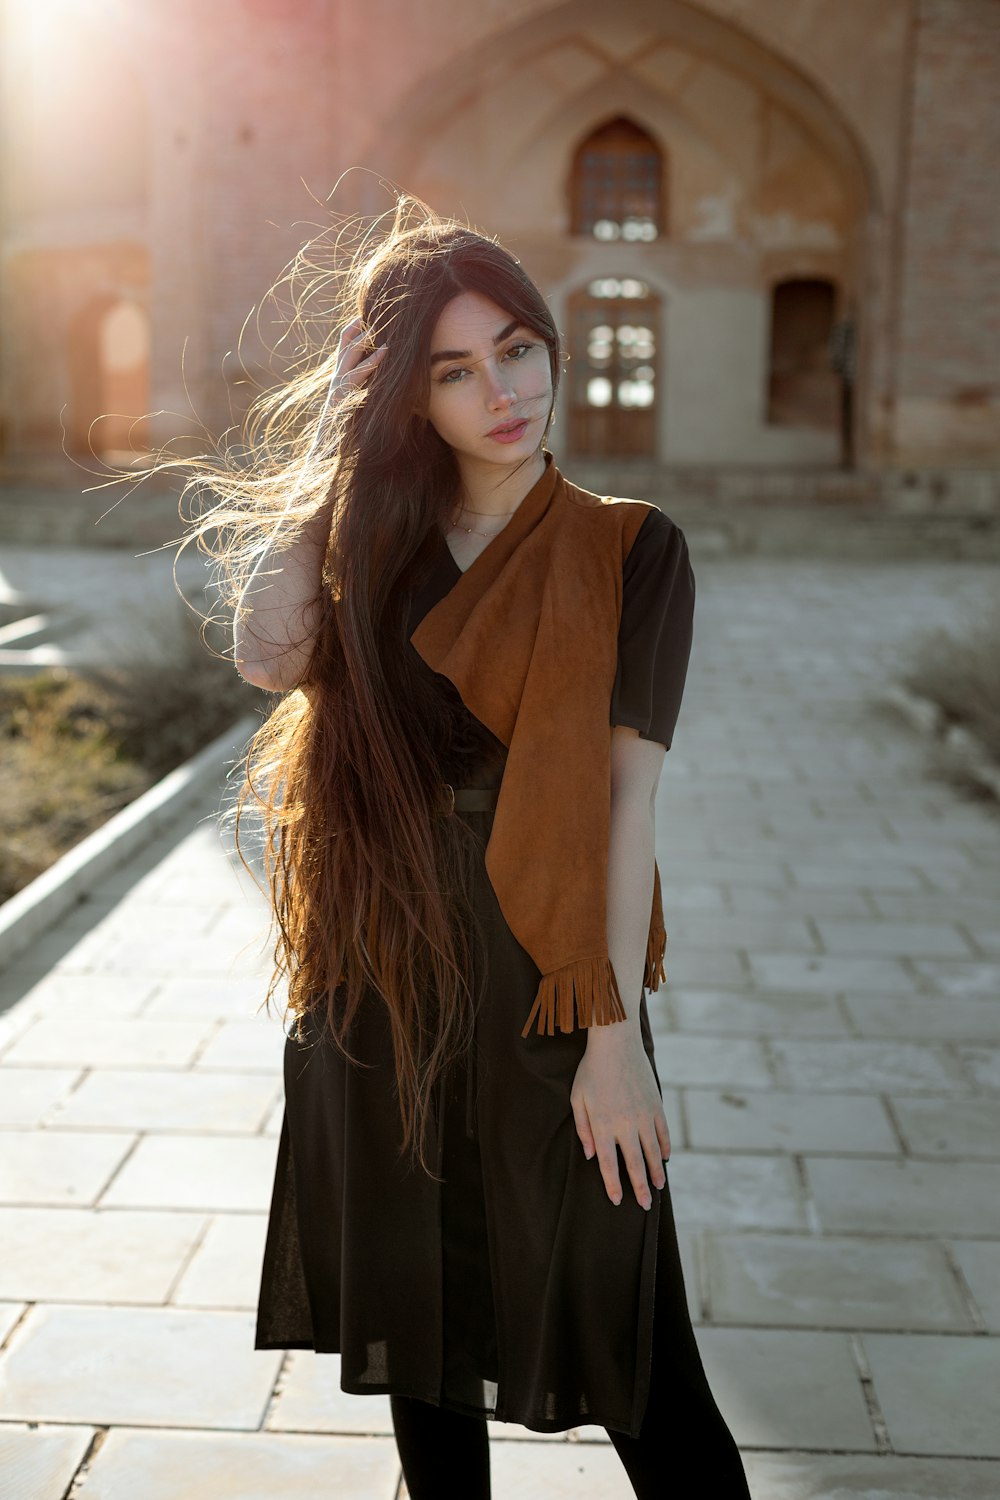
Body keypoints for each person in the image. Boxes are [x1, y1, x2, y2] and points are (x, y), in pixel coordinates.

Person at [193, 195, 750, 1498]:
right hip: (380, 987)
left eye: (516, 347)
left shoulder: (631, 550)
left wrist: (613, 1046)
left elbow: (625, 804)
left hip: (552, 995)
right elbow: (266, 656)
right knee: (424, 1373)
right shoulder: (377, 551)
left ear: (550, 347)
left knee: (647, 1376)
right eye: (452, 370)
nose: (502, 390)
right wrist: (338, 441)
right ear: (412, 400)